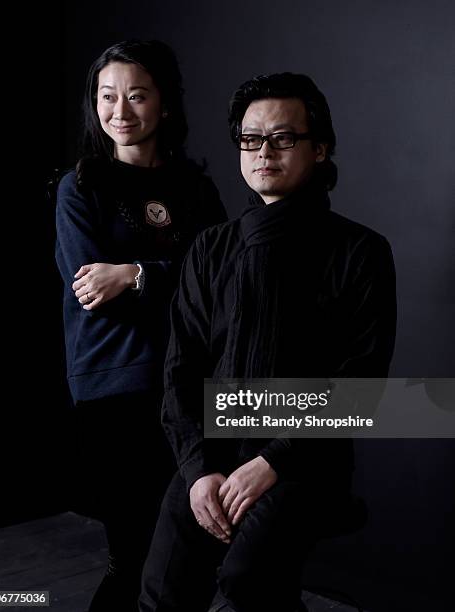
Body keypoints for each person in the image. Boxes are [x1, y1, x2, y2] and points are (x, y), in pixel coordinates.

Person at [139, 73, 396, 612]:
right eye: (251, 139)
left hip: (305, 462)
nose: (264, 152)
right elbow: (181, 373)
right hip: (211, 454)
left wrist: (273, 460)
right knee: (162, 592)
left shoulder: (361, 251)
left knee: (247, 582)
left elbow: (359, 387)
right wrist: (198, 469)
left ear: (319, 148)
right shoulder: (211, 249)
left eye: (283, 138)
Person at [55, 39, 227, 612]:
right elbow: (91, 291)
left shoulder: (196, 189)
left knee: (191, 553)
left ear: (165, 104)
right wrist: (166, 281)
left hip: (192, 385)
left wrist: (133, 274)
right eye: (107, 97)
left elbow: (220, 284)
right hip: (114, 386)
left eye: (137, 95)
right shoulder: (80, 187)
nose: (120, 112)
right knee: (133, 556)